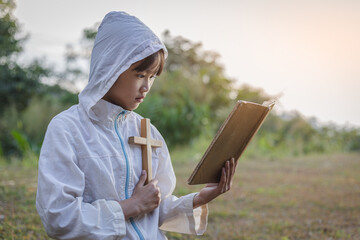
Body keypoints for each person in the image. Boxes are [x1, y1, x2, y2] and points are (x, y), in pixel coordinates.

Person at [36, 11, 237, 240]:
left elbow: (154, 208)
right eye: (140, 74)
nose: (146, 87)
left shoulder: (147, 131)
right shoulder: (68, 129)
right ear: (110, 68)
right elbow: (59, 218)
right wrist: (129, 206)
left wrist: (201, 197)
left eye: (152, 77)